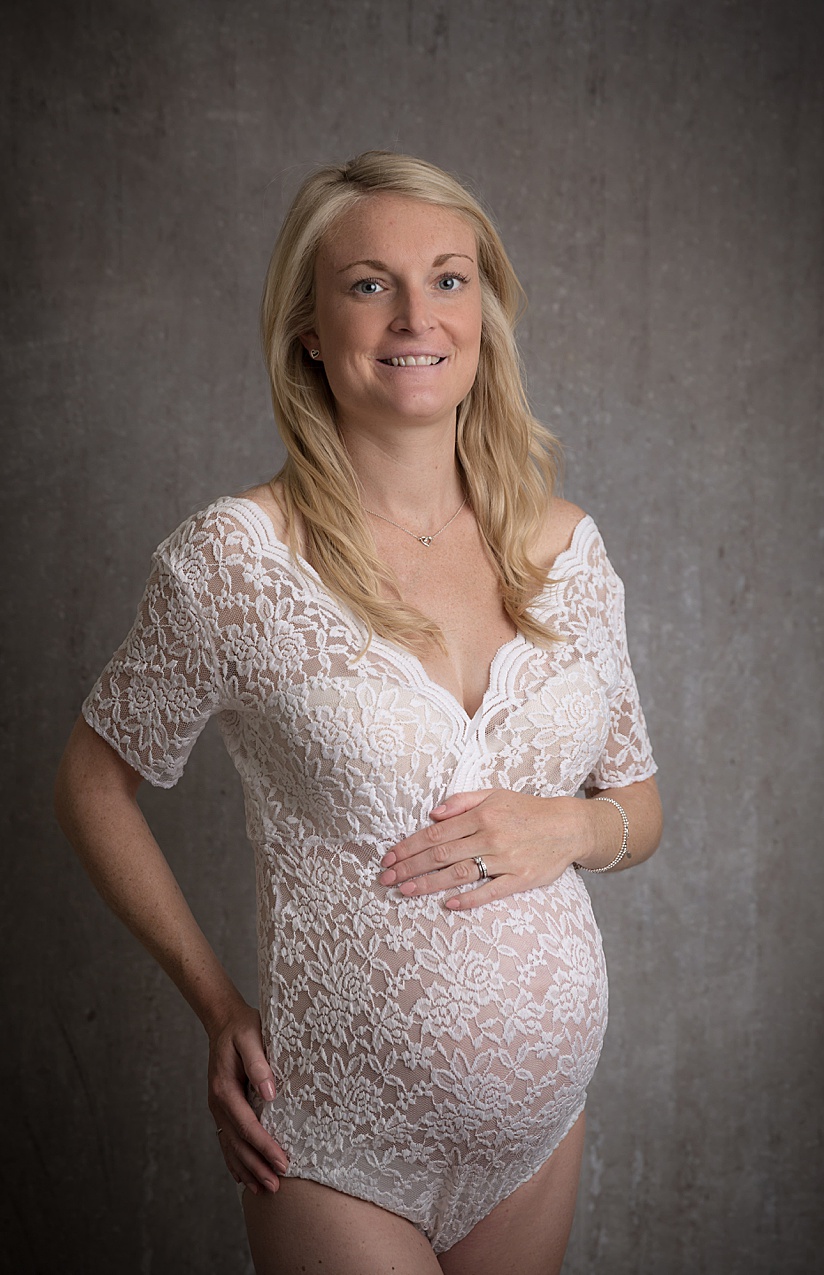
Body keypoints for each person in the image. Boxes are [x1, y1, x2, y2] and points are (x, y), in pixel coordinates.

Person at [55, 150, 662, 1275]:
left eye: (448, 278)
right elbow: (92, 784)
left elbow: (638, 801)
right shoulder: (234, 561)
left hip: (540, 1129)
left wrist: (567, 829)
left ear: (484, 309)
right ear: (308, 327)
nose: (415, 316)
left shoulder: (569, 551)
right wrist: (215, 1003)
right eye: (369, 283)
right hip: (338, 1141)